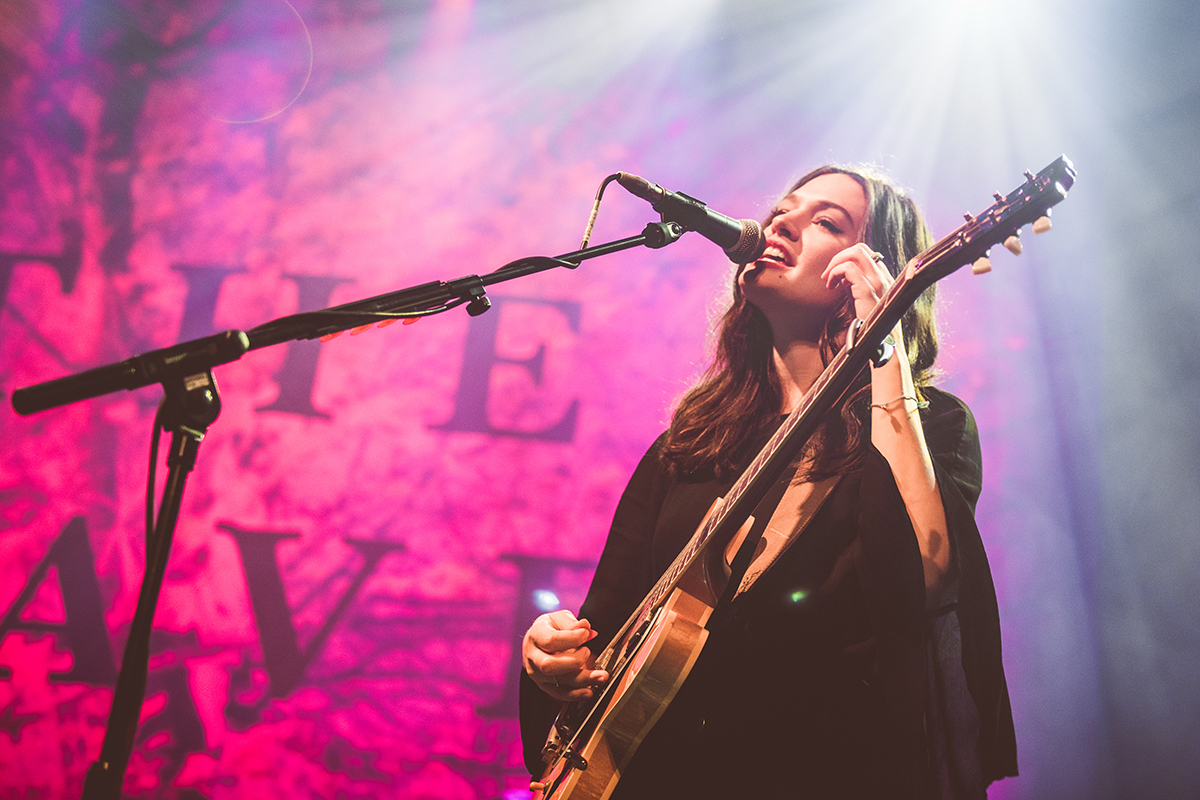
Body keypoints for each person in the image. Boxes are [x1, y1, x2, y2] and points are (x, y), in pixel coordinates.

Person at [519, 165, 1018, 799]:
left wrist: (882, 339)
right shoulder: (692, 441)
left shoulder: (933, 425)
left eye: (826, 222)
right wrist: (553, 656)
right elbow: (605, 625)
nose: (781, 222)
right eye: (784, 209)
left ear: (874, 269)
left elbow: (927, 581)